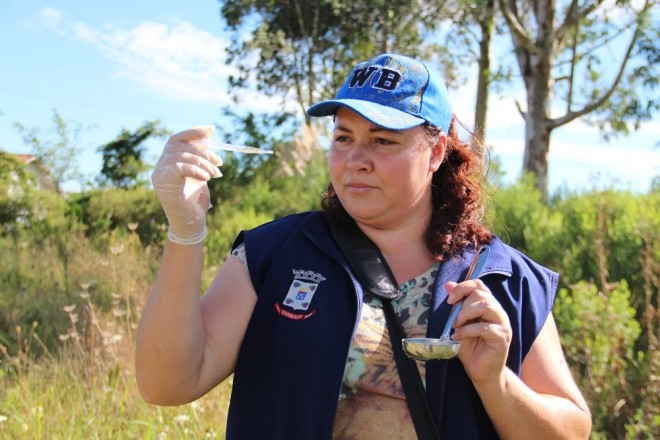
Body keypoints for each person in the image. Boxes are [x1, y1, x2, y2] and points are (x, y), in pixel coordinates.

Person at [135, 53, 592, 439]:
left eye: (383, 141)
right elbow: (166, 384)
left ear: (436, 153)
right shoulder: (274, 253)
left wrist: (496, 383)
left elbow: (572, 431)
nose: (356, 160)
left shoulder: (502, 277)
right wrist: (185, 230)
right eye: (343, 138)